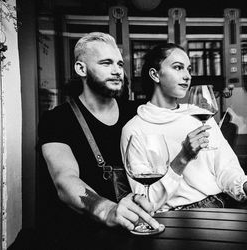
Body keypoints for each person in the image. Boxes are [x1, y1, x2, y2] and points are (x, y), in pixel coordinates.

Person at [120, 43, 247, 217]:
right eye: (177, 67)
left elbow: (226, 168)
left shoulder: (199, 115)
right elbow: (147, 201)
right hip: (179, 215)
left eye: (189, 69)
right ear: (155, 74)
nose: (187, 76)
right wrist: (183, 157)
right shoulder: (135, 129)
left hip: (224, 202)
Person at [36, 32, 159, 248]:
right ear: (81, 69)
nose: (117, 71)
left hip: (137, 229)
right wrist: (108, 210)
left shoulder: (137, 113)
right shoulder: (57, 119)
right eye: (106, 63)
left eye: (120, 64)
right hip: (80, 235)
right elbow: (65, 180)